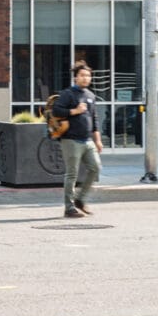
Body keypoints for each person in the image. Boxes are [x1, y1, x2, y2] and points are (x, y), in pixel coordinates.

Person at [51, 61, 103, 218]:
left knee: (95, 168)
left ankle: (80, 199)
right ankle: (69, 207)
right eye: (82, 75)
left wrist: (98, 140)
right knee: (71, 174)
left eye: (88, 76)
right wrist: (75, 111)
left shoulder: (91, 95)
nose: (85, 78)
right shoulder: (68, 94)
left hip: (87, 140)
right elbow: (56, 110)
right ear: (75, 78)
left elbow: (94, 119)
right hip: (70, 140)